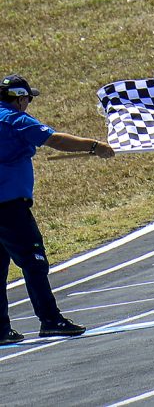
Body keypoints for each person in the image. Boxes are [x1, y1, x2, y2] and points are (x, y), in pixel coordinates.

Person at [0, 74, 114, 345]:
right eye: (27, 98)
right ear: (20, 98)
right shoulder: (14, 119)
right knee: (33, 261)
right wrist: (93, 146)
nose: (28, 103)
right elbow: (55, 140)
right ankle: (50, 320)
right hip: (9, 207)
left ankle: (1, 329)